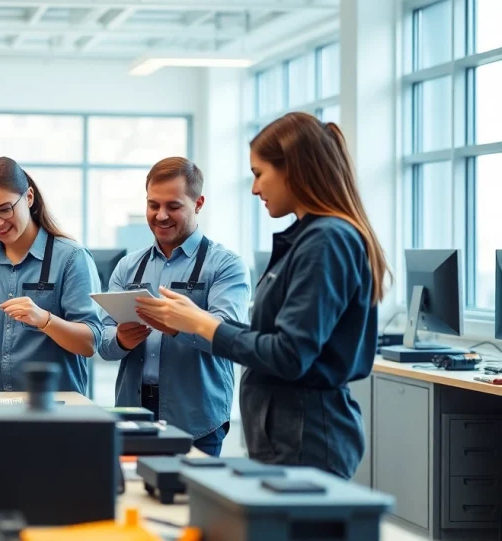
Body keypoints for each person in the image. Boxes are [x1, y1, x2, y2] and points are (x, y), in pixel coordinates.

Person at [136, 112, 391, 479]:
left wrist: (204, 325)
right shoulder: (309, 239)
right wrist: (200, 322)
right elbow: (275, 340)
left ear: (293, 171)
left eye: (259, 173)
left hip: (306, 436)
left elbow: (289, 354)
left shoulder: (326, 241)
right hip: (287, 434)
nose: (255, 189)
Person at [99, 157, 250, 457]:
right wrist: (120, 340)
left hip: (196, 419)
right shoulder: (128, 267)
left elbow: (228, 338)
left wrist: (178, 326)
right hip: (134, 413)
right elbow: (102, 341)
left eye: (173, 206)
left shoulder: (226, 266)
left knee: (189, 489)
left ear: (198, 203)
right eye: (153, 205)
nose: (161, 215)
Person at [0, 157, 104, 395]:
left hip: (53, 406)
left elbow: (90, 342)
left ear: (29, 197)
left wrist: (44, 319)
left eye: (5, 209)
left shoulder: (72, 257)